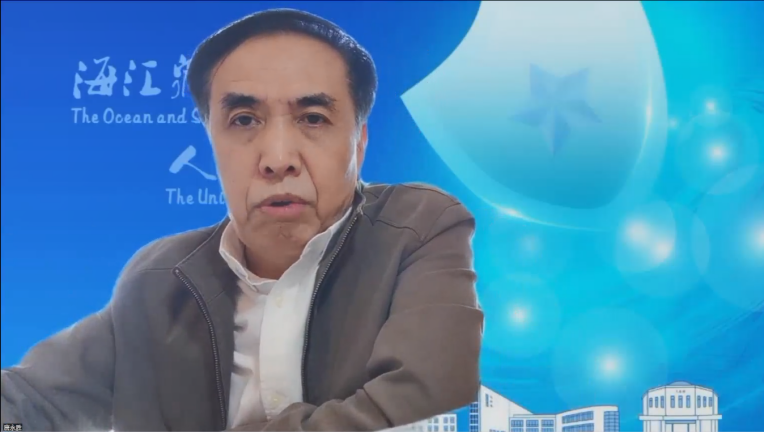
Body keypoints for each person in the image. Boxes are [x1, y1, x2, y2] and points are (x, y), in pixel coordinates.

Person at [0, 8, 483, 432]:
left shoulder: (418, 227)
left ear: (359, 142)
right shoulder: (158, 278)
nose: (277, 159)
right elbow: (26, 402)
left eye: (313, 118)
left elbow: (431, 404)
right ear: (212, 141)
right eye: (244, 120)